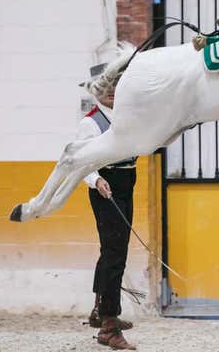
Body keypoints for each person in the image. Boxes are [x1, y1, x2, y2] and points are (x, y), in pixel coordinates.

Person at [79, 63, 137, 350]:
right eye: (105, 86)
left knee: (115, 250)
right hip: (106, 186)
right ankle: (109, 326)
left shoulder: (128, 117)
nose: (112, 90)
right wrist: (96, 180)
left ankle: (99, 309)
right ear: (95, 91)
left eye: (116, 84)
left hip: (127, 182)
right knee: (115, 254)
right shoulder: (90, 122)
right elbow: (82, 161)